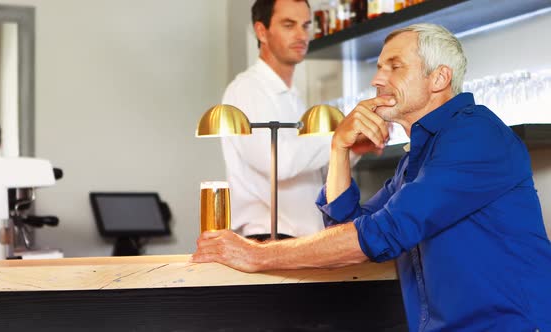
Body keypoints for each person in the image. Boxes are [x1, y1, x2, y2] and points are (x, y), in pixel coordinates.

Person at [193, 23, 551, 331]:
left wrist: (258, 255)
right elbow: (350, 227)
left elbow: (382, 235)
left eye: (395, 66)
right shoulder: (421, 155)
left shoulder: (475, 136)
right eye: (379, 67)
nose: (378, 79)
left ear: (439, 78)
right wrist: (338, 149)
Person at [221, 0, 354, 240]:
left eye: (305, 25)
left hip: (301, 239)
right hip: (268, 237)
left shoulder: (294, 98)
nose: (301, 35)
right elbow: (277, 162)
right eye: (289, 25)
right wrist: (339, 137)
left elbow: (316, 173)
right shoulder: (247, 89)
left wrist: (353, 148)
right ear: (262, 31)